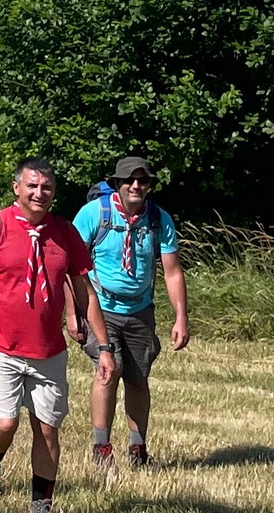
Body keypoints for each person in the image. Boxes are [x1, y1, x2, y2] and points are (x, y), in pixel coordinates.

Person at [0, 159, 95, 513]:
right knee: (5, 422)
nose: (39, 193)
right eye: (32, 186)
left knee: (47, 431)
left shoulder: (64, 233)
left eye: (46, 187)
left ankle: (41, 504)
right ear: (17, 188)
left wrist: (103, 348)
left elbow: (84, 291)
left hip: (48, 349)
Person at [74, 156, 189, 470]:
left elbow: (172, 271)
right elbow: (71, 268)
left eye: (143, 181)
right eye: (129, 181)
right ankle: (101, 447)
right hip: (99, 308)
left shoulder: (158, 219)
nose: (136, 186)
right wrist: (72, 314)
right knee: (109, 369)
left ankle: (138, 449)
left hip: (140, 310)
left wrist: (181, 317)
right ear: (117, 185)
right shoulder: (93, 214)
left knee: (138, 379)